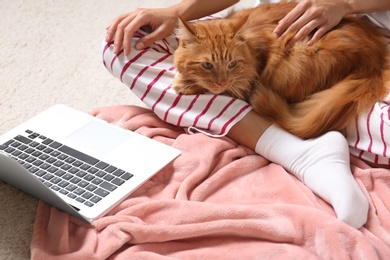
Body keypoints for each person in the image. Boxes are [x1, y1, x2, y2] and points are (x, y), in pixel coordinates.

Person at [103, 0, 390, 228]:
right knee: (123, 45)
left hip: (368, 39)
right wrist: (175, 12)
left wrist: (347, 4)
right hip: (249, 31)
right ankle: (295, 150)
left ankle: (253, 119)